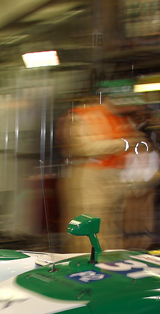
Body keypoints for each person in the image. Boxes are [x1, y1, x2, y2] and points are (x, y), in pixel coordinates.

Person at [58, 82, 146, 252]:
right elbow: (83, 147)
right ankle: (85, 261)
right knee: (88, 223)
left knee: (110, 226)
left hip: (114, 177)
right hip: (90, 176)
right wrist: (121, 144)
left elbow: (136, 145)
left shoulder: (121, 119)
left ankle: (107, 262)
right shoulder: (84, 115)